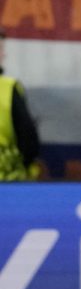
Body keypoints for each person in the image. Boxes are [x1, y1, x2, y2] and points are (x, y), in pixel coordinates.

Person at [0, 27, 40, 180]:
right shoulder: (8, 88)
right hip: (8, 183)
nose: (4, 54)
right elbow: (29, 141)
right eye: (1, 48)